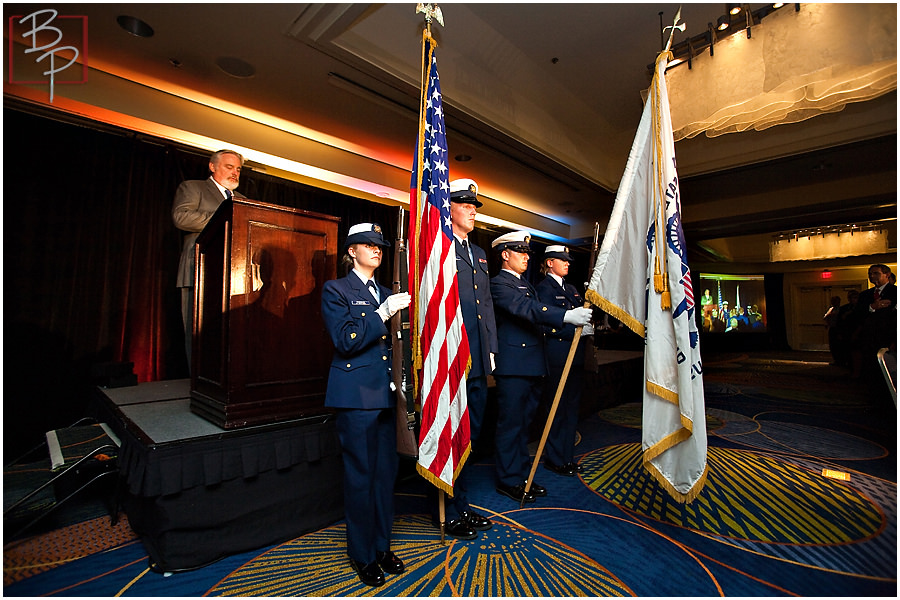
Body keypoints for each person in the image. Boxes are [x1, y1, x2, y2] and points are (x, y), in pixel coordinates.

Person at [321, 223, 411, 587]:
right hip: (356, 396)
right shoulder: (337, 289)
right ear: (351, 252)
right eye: (367, 244)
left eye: (380, 245)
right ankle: (362, 553)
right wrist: (380, 313)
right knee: (361, 477)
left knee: (384, 476)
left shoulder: (389, 291)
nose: (376, 249)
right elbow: (346, 340)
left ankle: (381, 545)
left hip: (387, 395)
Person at [490, 231, 592, 503]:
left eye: (527, 253)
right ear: (505, 255)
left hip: (533, 365)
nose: (526, 257)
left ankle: (521, 475)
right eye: (520, 252)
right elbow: (526, 309)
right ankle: (508, 480)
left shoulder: (526, 284)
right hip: (513, 367)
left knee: (524, 427)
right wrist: (566, 316)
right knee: (511, 426)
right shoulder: (499, 284)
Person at [430, 179, 497, 540]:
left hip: (476, 360)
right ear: (449, 207)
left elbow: (484, 304)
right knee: (449, 434)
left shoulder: (479, 253)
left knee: (469, 435)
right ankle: (445, 506)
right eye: (466, 204)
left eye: (474, 205)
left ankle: (462, 503)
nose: (473, 209)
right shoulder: (437, 248)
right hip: (450, 357)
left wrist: (491, 349)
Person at [172, 149, 246, 369]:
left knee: (227, 333)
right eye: (229, 167)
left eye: (238, 169)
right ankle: (196, 380)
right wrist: (224, 219)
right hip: (199, 270)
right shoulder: (193, 187)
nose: (235, 173)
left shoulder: (242, 200)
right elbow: (181, 217)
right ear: (212, 167)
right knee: (197, 331)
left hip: (233, 275)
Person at [535, 245, 593, 477]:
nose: (567, 263)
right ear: (550, 263)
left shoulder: (571, 289)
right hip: (557, 356)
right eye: (562, 260)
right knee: (557, 409)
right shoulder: (543, 289)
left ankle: (567, 456)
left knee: (571, 409)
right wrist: (574, 330)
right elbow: (545, 324)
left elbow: (581, 314)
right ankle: (555, 458)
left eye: (568, 260)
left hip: (575, 356)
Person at [850, 264, 897, 380]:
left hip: (888, 337)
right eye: (870, 274)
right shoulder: (865, 295)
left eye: (876, 273)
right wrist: (872, 307)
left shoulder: (895, 292)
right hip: (868, 338)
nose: (872, 276)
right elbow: (857, 314)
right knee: (870, 370)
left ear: (887, 275)